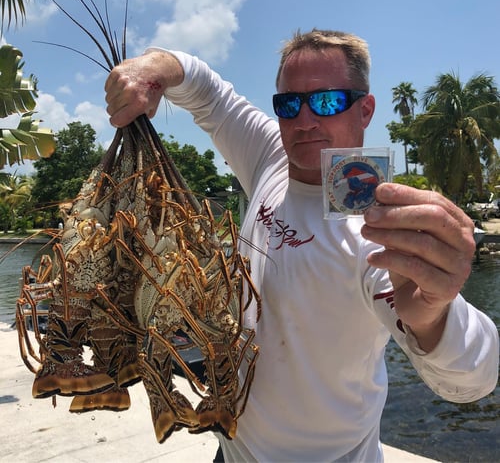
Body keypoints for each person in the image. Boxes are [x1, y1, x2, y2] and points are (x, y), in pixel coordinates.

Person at [104, 29, 499, 462]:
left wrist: (434, 313)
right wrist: (152, 68)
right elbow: (208, 93)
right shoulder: (273, 156)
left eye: (328, 101)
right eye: (289, 104)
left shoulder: (378, 232)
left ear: (365, 109)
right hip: (231, 451)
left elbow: (472, 380)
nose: (305, 120)